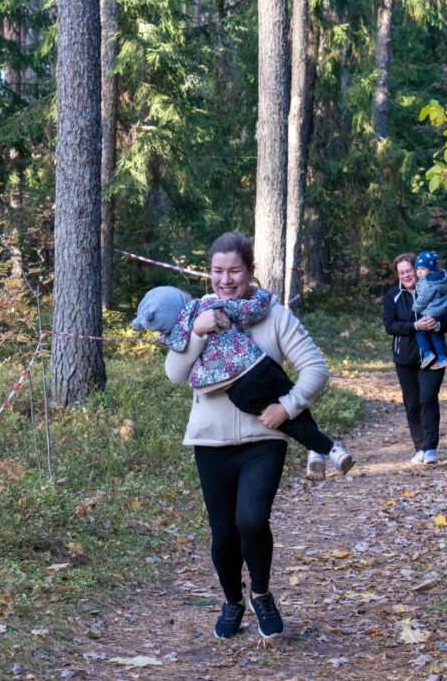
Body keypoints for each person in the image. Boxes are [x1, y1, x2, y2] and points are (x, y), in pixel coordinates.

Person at [164, 232, 333, 640]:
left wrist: (287, 408)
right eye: (217, 271)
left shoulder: (275, 316)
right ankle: (232, 602)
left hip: (263, 439)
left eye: (234, 270)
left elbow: (316, 368)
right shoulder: (197, 312)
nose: (225, 280)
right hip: (210, 441)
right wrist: (198, 332)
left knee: (251, 520)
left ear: (250, 271)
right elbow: (175, 373)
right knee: (223, 532)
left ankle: (260, 594)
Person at [132, 285, 353, 477]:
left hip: (235, 392)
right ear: (182, 298)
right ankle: (325, 449)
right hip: (256, 367)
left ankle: (318, 448)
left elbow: (178, 361)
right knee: (287, 399)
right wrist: (263, 296)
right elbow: (248, 309)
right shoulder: (209, 307)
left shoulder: (175, 336)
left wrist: (195, 333)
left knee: (283, 416)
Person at [381, 252, 447, 465]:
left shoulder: (434, 289)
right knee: (412, 404)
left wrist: (438, 324)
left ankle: (430, 448)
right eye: (401, 272)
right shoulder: (393, 296)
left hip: (432, 357)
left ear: (418, 270)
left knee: (428, 398)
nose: (406, 275)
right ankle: (420, 447)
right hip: (405, 358)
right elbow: (389, 325)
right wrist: (415, 326)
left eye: (409, 270)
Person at [412, 251, 447, 370]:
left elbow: (424, 298)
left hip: (431, 311)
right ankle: (442, 357)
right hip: (440, 310)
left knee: (420, 332)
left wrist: (416, 308)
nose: (419, 272)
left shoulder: (427, 283)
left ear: (431, 269)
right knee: (436, 334)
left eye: (423, 269)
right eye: (417, 268)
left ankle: (428, 353)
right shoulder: (441, 279)